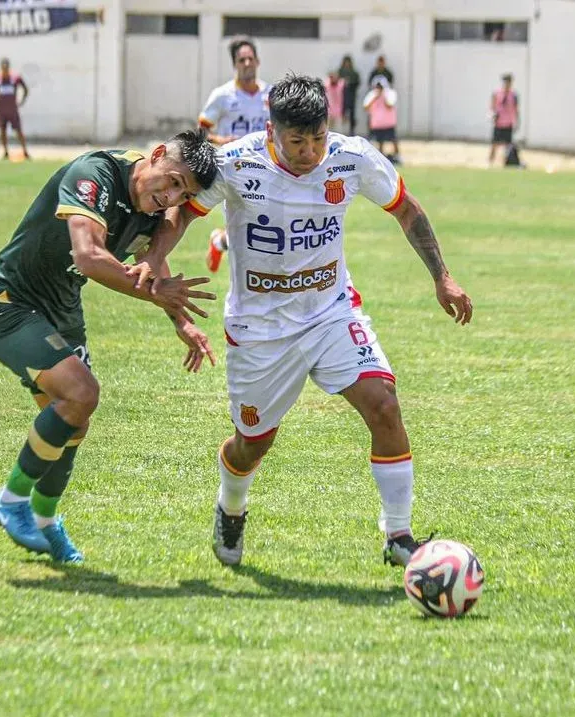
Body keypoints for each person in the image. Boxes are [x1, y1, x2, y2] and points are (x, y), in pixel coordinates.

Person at [127, 74, 473, 570]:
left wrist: (443, 277)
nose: (310, 151)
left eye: (318, 138)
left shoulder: (351, 157)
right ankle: (231, 505)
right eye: (297, 141)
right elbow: (183, 215)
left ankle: (399, 536)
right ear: (272, 130)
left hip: (330, 312)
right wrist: (156, 260)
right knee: (253, 443)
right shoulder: (236, 162)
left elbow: (407, 209)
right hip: (260, 330)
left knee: (383, 405)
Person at [0, 130, 218, 564]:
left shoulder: (150, 214)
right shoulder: (96, 175)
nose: (173, 197)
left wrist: (181, 322)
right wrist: (155, 294)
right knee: (81, 393)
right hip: (9, 303)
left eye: (185, 193)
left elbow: (152, 269)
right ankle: (12, 500)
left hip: (61, 308)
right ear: (157, 155)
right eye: (174, 181)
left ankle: (45, 521)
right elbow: (87, 255)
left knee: (76, 420)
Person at [199, 36, 271, 274]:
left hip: (267, 169)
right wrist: (222, 140)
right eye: (242, 60)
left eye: (251, 58)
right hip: (234, 170)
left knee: (263, 227)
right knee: (247, 231)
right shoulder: (223, 96)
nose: (247, 63)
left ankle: (220, 241)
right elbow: (201, 132)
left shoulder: (270, 95)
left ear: (258, 61)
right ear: (235, 65)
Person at [0, 58, 30, 160]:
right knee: (3, 130)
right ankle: (5, 151)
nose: (5, 69)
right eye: (3, 67)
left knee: (18, 130)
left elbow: (25, 88)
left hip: (12, 110)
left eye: (6, 67)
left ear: (9, 67)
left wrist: (21, 101)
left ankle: (25, 151)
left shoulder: (15, 78)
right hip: (1, 110)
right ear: (1, 68)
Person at [363, 76, 401, 163]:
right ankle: (381, 158)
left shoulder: (390, 93)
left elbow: (389, 105)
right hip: (377, 123)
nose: (379, 88)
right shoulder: (372, 94)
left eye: (380, 86)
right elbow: (365, 107)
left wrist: (382, 95)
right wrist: (375, 97)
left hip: (389, 123)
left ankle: (398, 156)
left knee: (393, 140)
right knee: (380, 142)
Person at [488, 73, 519, 166]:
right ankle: (490, 163)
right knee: (494, 144)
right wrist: (492, 115)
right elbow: (492, 107)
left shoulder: (514, 95)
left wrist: (516, 122)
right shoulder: (496, 93)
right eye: (505, 82)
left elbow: (516, 110)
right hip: (498, 123)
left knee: (507, 146)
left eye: (509, 82)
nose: (507, 84)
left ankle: (504, 163)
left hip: (508, 123)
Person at [338, 55, 360, 135]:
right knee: (341, 113)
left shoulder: (354, 73)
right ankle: (341, 130)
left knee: (352, 114)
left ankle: (352, 131)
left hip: (351, 95)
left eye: (348, 62)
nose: (347, 64)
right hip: (342, 96)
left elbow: (358, 82)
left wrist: (350, 83)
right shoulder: (340, 71)